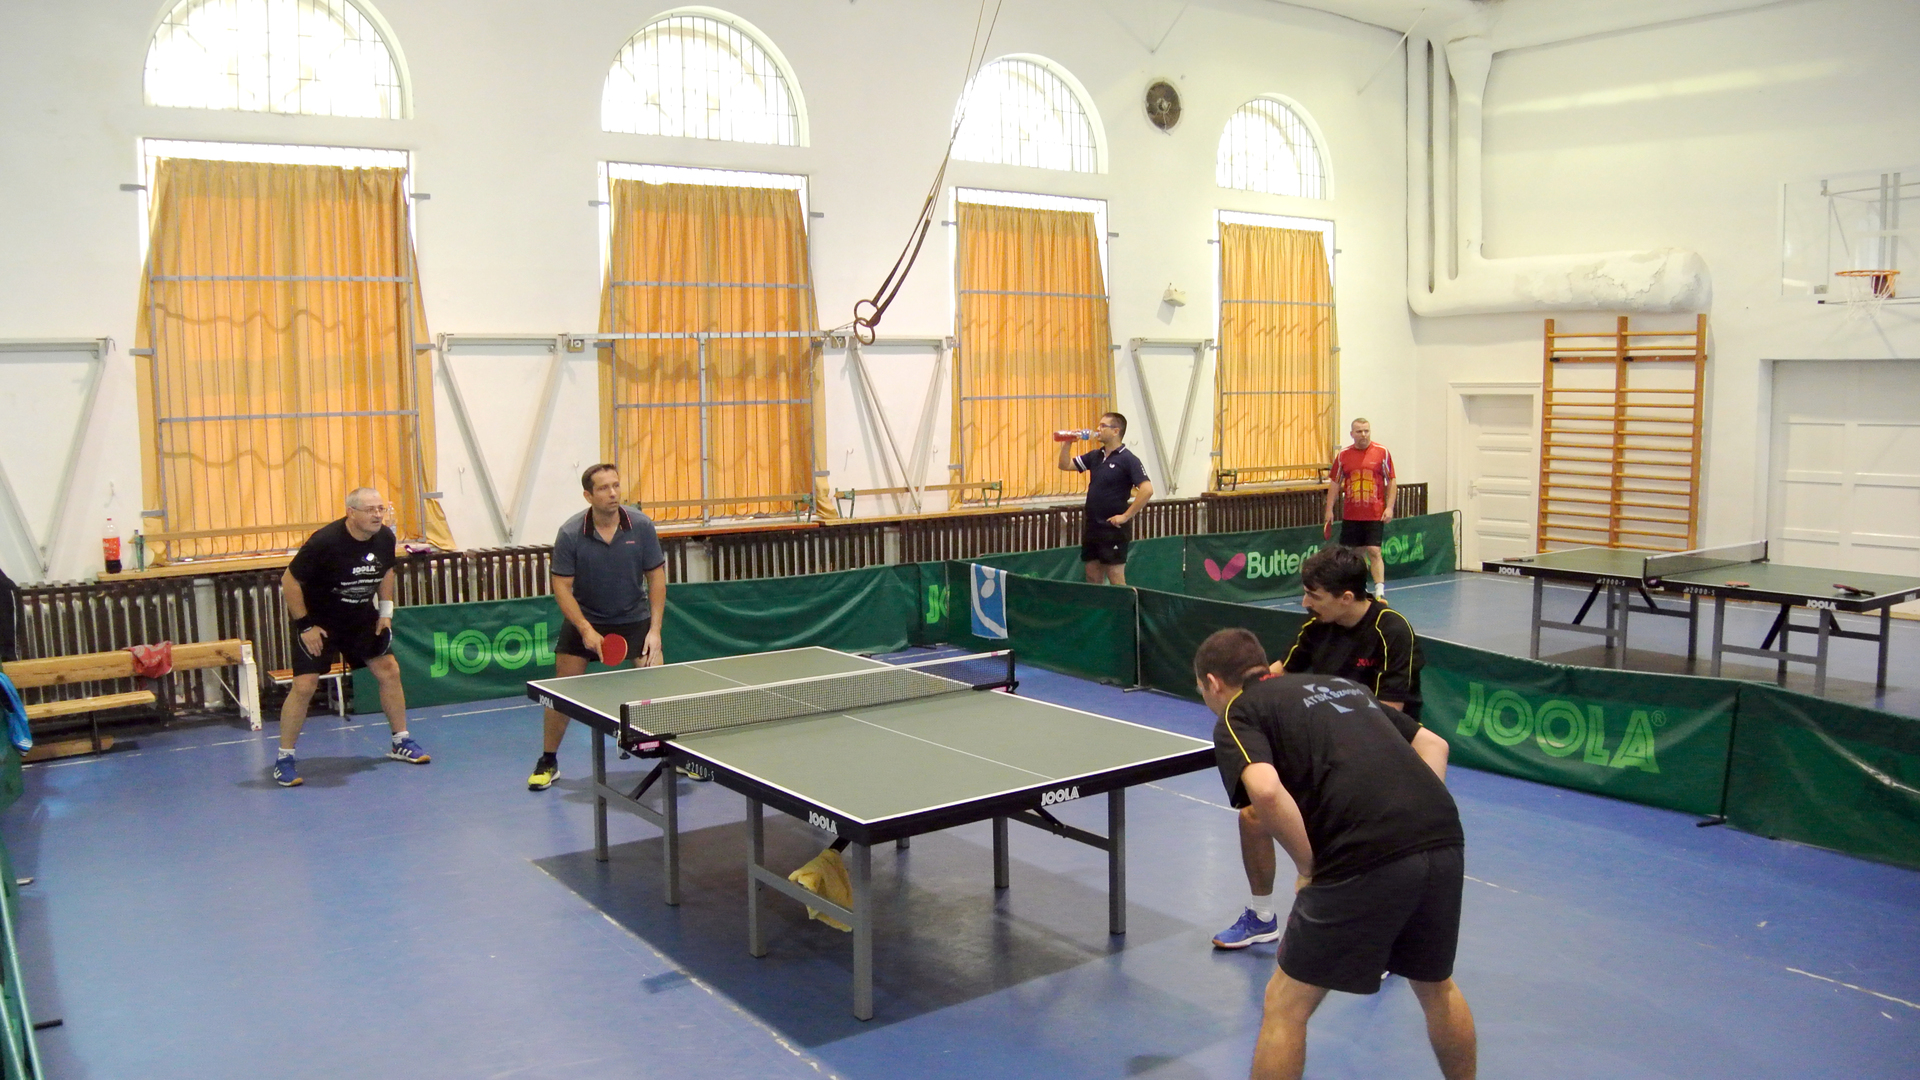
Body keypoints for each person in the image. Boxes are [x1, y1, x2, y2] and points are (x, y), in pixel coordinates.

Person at [1194, 628, 1475, 1080]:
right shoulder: (1340, 685)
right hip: (1442, 834)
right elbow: (1433, 744)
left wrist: (1308, 866)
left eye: (1202, 691)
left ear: (1212, 682)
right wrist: (1416, 810)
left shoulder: (1238, 712)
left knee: (1284, 1005)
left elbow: (1265, 792)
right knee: (1435, 987)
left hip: (1362, 850)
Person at [1213, 545, 1427, 948]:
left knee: (1362, 839)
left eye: (1314, 595)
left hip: (1381, 751)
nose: (1305, 602)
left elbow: (1389, 714)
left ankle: (1377, 938)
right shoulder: (1316, 626)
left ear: (1346, 598)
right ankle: (1261, 917)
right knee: (1254, 816)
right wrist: (1238, 700)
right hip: (1324, 748)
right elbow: (1278, 674)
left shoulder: (1392, 631)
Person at [275, 487, 429, 787]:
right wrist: (305, 626)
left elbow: (386, 571)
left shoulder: (384, 537)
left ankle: (401, 741)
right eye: (370, 510)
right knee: (304, 685)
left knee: (389, 670)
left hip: (359, 617)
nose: (378, 515)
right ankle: (284, 759)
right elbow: (289, 581)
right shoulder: (325, 541)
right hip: (320, 621)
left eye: (381, 509)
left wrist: (385, 611)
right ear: (351, 513)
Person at [528, 463, 666, 791]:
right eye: (604, 488)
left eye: (616, 485)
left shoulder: (641, 526)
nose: (613, 493)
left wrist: (655, 630)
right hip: (586, 619)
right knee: (560, 693)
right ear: (588, 495)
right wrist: (584, 628)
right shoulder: (571, 532)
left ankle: (675, 757)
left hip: (633, 619)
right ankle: (548, 760)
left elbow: (656, 578)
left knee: (659, 687)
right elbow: (561, 586)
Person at [1054, 412, 1153, 586]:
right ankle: (1098, 604)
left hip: (1113, 528)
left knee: (1115, 576)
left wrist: (1125, 516)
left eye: (1102, 426)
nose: (1097, 429)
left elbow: (1147, 490)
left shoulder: (1128, 459)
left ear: (1115, 431)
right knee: (1092, 574)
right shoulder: (1095, 456)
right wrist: (1068, 442)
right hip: (1093, 526)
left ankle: (1125, 604)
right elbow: (1064, 465)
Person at [1324, 418, 1397, 598]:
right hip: (1352, 514)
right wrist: (1329, 509)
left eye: (1366, 431)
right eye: (1359, 431)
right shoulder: (1343, 456)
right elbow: (1335, 483)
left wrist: (1389, 507)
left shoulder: (1382, 452)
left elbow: (1391, 481)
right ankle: (1360, 588)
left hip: (1374, 513)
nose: (1363, 435)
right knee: (1355, 555)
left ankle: (1380, 591)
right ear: (1352, 434)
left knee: (1374, 550)